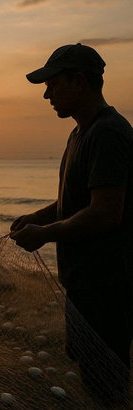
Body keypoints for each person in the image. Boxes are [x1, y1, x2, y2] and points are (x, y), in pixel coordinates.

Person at [10, 43, 133, 406]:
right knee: (88, 371)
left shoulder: (108, 133)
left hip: (108, 284)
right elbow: (73, 203)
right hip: (84, 282)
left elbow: (107, 211)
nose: (47, 94)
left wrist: (44, 235)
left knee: (107, 384)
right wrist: (37, 217)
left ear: (79, 81)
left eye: (53, 84)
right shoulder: (80, 133)